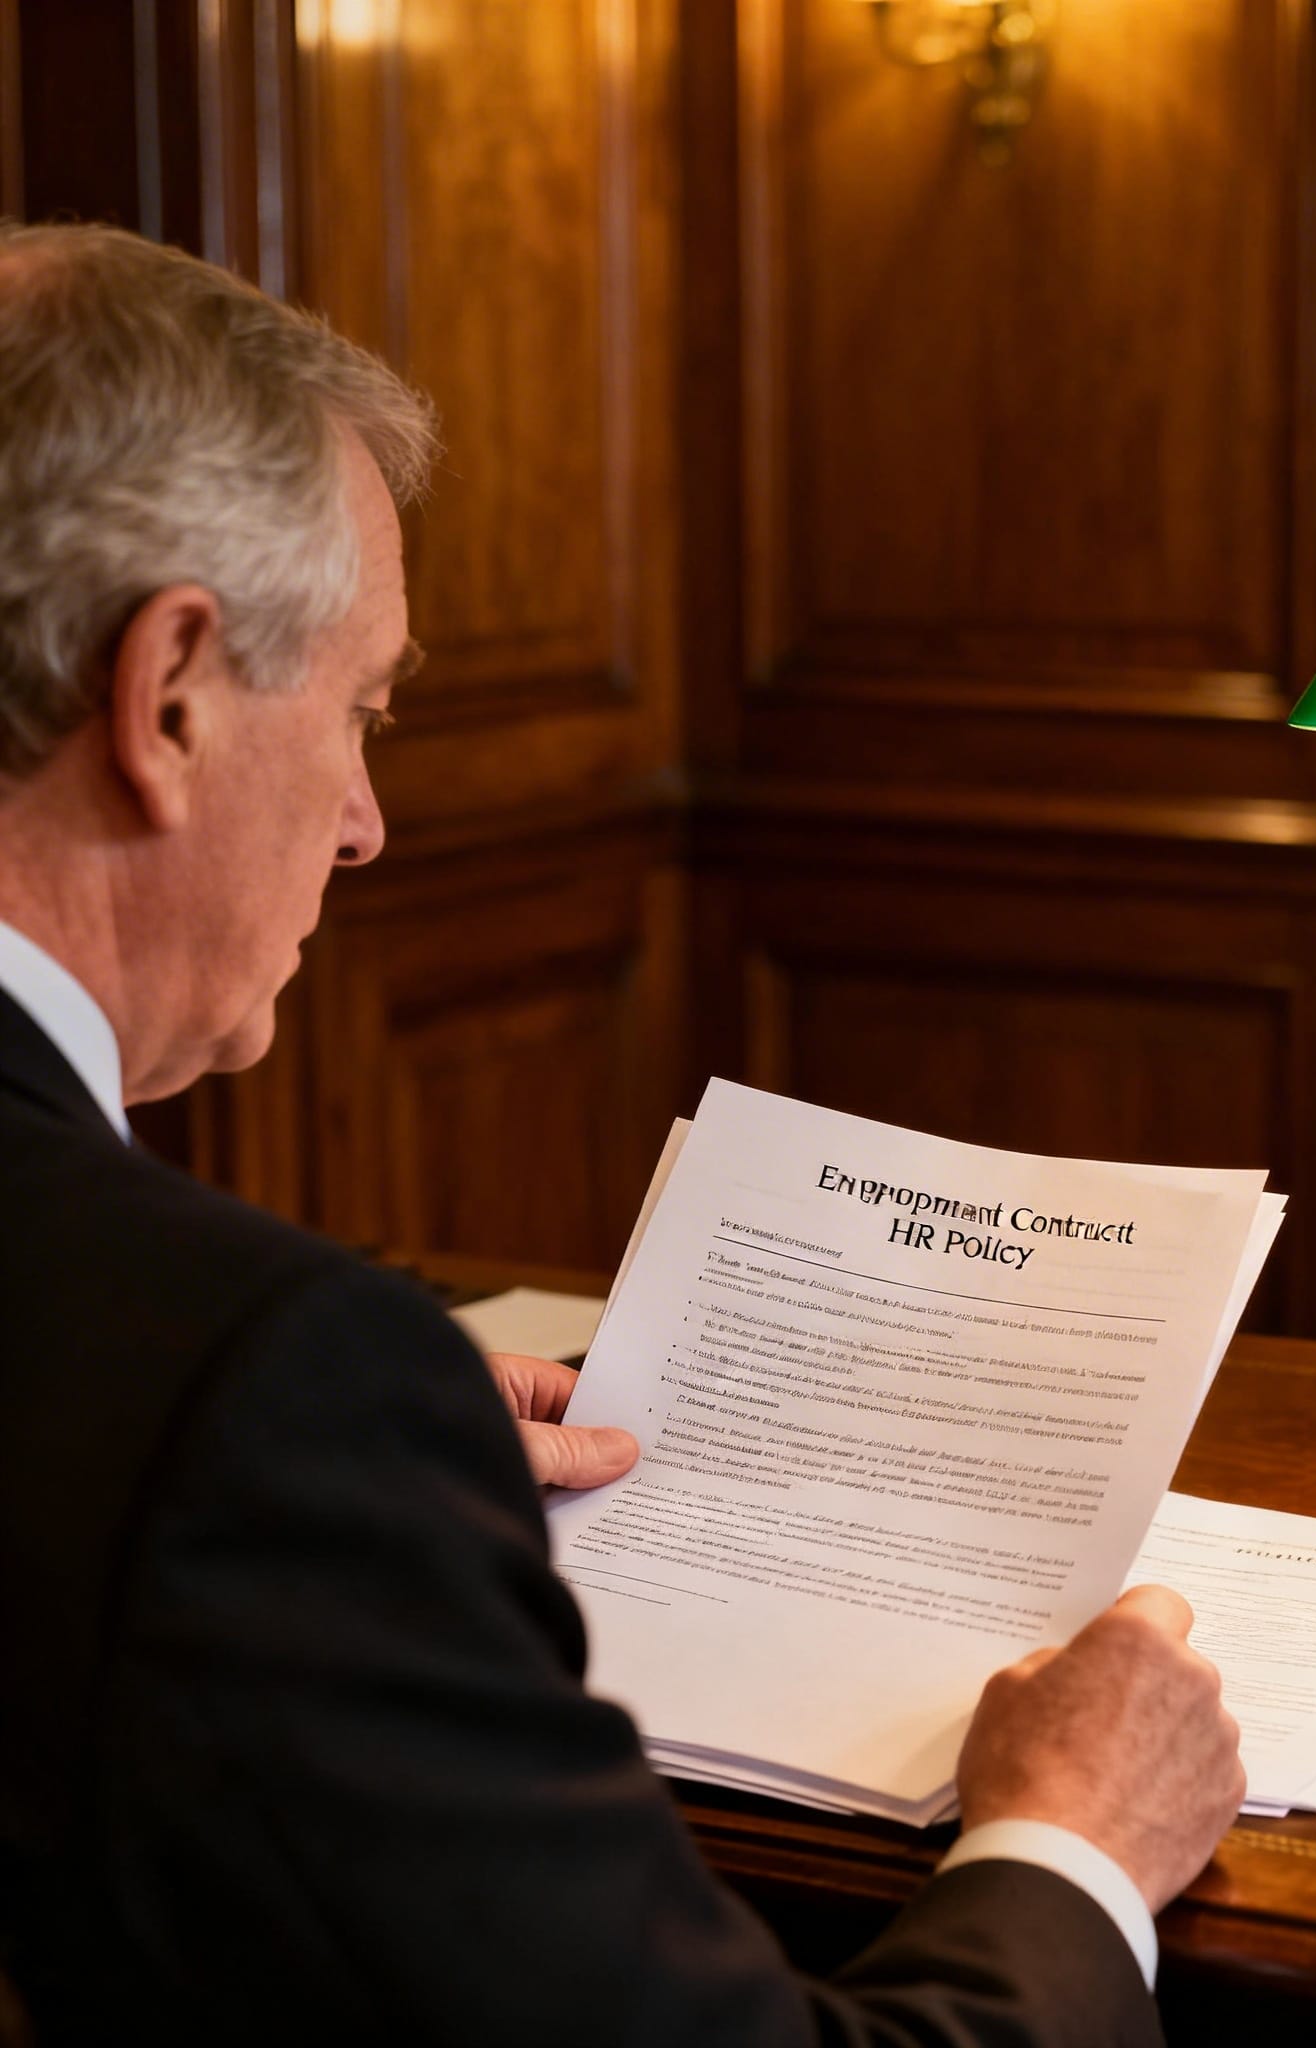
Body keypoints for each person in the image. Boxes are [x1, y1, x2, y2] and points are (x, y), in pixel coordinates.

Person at [0, 221, 1244, 2046]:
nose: (363, 822)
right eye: (358, 712)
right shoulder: (250, 1394)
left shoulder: (251, 1398)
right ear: (169, 690)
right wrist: (1077, 1841)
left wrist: (372, 1480)